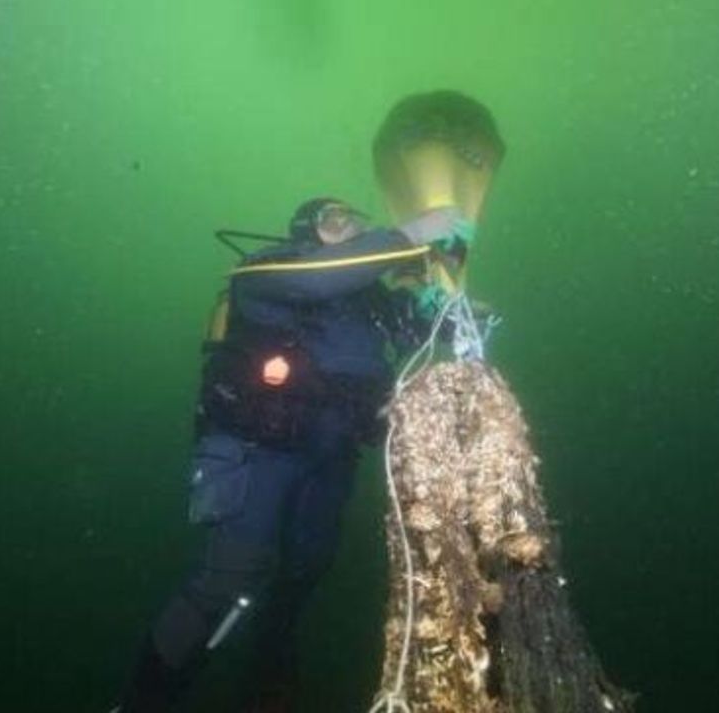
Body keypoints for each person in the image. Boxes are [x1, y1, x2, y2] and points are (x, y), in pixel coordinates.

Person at [118, 198, 471, 712]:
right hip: (259, 451)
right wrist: (411, 232)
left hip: (331, 458)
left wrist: (453, 295)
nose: (350, 226)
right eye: (334, 219)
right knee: (229, 578)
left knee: (309, 566)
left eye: (356, 220)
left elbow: (434, 331)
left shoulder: (370, 300)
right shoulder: (267, 271)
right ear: (305, 230)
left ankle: (270, 663)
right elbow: (318, 281)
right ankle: (141, 701)